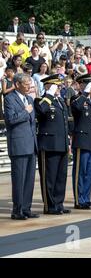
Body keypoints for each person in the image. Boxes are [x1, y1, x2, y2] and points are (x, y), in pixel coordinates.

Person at [34, 74, 71, 215]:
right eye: (56, 86)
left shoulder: (60, 101)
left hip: (61, 143)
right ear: (48, 86)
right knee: (49, 177)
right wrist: (49, 94)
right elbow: (41, 110)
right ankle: (49, 205)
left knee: (61, 177)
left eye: (59, 86)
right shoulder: (41, 100)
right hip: (48, 144)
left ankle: (58, 203)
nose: (59, 88)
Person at [4, 73, 39, 220]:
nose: (29, 86)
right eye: (26, 84)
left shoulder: (29, 99)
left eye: (29, 83)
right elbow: (11, 120)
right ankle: (17, 210)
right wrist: (26, 111)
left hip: (31, 144)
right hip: (19, 144)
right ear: (17, 84)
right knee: (19, 179)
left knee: (29, 179)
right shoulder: (9, 99)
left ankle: (26, 208)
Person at [71, 74, 91, 210]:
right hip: (81, 140)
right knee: (80, 172)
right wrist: (85, 93)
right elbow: (76, 108)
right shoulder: (76, 98)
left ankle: (86, 198)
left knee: (90, 172)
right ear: (81, 85)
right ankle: (79, 200)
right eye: (87, 84)